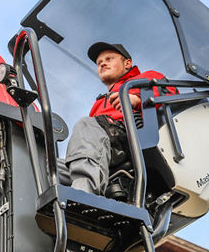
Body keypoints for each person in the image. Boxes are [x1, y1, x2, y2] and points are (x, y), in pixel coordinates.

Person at [59, 40, 171, 198]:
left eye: (109, 59)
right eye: (99, 63)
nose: (102, 64)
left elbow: (170, 92)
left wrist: (137, 100)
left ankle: (83, 197)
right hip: (101, 150)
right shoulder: (99, 103)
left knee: (85, 124)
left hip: (127, 138)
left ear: (127, 63)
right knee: (48, 165)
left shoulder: (145, 79)